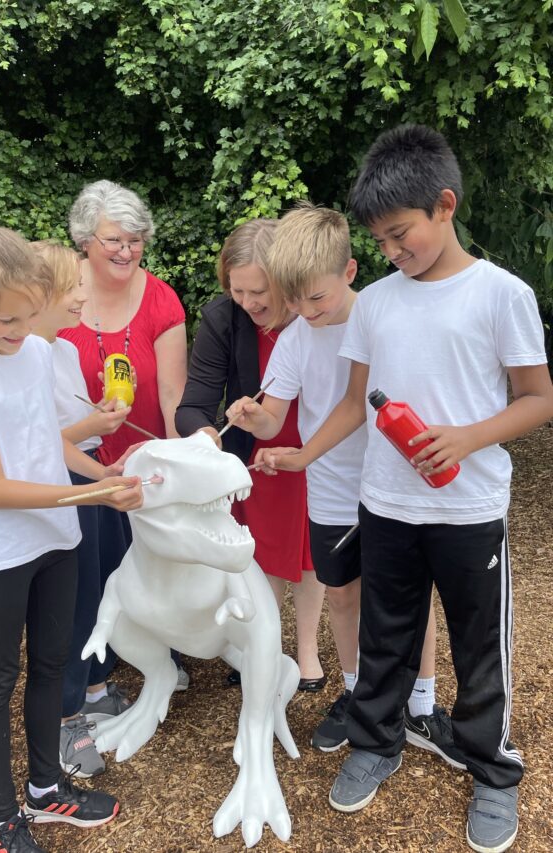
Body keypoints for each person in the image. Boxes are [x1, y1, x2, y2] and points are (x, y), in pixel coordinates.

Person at [251, 127, 553, 853]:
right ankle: (376, 741)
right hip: (384, 504)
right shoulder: (378, 304)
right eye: (381, 241)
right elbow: (355, 404)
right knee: (386, 635)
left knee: (480, 646)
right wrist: (303, 454)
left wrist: (468, 436)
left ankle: (492, 769)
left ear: (444, 206)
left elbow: (539, 398)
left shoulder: (501, 293)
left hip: (468, 505)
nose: (391, 250)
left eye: (400, 234)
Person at [0, 222, 145, 853]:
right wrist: (90, 495)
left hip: (56, 535)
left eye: (27, 317)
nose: (20, 333)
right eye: (6, 323)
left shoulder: (36, 353)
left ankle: (46, 792)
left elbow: (47, 440)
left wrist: (104, 474)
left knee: (53, 663)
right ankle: (1, 821)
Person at [226, 204, 459, 764]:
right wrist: (251, 417)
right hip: (331, 490)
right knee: (343, 595)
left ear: (350, 272)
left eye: (317, 299)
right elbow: (275, 415)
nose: (305, 312)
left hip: (392, 483)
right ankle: (357, 693)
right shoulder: (295, 339)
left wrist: (301, 453)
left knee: (406, 597)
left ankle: (421, 704)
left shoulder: (382, 318)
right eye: (295, 300)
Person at [175, 218, 326, 687]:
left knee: (310, 549)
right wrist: (207, 437)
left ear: (286, 278)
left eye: (258, 291)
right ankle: (262, 647)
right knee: (260, 548)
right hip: (254, 451)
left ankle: (306, 650)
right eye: (237, 291)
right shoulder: (222, 318)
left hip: (317, 444)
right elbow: (194, 403)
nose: (248, 303)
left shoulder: (315, 313)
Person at [62, 179, 189, 688]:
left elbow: (173, 395)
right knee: (89, 572)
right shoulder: (58, 290)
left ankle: (161, 655)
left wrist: (181, 458)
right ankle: (90, 672)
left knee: (156, 561)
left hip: (143, 452)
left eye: (135, 238)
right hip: (76, 457)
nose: (126, 249)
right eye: (113, 238)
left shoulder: (162, 300)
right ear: (85, 240)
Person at [31, 240, 134, 779]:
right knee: (71, 603)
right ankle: (67, 715)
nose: (81, 296)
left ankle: (95, 686)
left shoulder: (65, 350)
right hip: (59, 485)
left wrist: (101, 454)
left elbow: (69, 426)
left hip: (89, 477)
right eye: (73, 286)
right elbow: (36, 441)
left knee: (99, 586)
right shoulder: (26, 354)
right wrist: (91, 429)